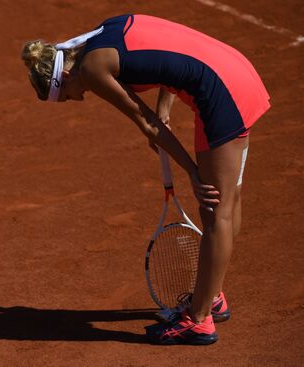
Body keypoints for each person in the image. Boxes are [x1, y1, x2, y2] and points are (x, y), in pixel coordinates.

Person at [20, 14, 270, 345]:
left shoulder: (92, 71)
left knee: (214, 211)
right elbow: (169, 55)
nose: (77, 100)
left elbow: (147, 123)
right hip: (237, 72)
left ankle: (198, 320)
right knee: (229, 201)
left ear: (64, 75)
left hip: (221, 95)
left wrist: (193, 172)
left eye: (67, 95)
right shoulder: (104, 32)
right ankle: (209, 297)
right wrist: (166, 107)